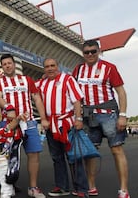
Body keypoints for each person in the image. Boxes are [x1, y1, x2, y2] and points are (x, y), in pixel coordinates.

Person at [72, 40, 130, 198]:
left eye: (93, 51)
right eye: (86, 52)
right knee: (90, 152)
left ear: (99, 51)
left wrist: (123, 115)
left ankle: (123, 189)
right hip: (88, 116)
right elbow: (73, 92)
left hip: (108, 114)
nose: (90, 54)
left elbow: (121, 92)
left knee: (117, 149)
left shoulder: (109, 68)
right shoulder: (78, 70)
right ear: (82, 53)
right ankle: (91, 186)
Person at [0, 53, 50, 198]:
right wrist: (8, 108)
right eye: (4, 64)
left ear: (14, 64)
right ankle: (8, 187)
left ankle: (33, 187)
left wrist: (43, 118)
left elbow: (37, 99)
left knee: (33, 154)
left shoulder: (27, 80)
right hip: (9, 123)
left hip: (29, 121)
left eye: (9, 63)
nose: (7, 66)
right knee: (7, 156)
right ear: (2, 67)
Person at [36, 58, 88, 197]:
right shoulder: (41, 83)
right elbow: (27, 88)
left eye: (53, 65)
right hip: (51, 125)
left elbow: (76, 99)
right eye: (47, 66)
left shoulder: (68, 79)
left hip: (67, 123)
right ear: (44, 69)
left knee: (74, 156)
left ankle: (81, 188)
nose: (50, 68)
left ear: (58, 66)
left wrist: (78, 118)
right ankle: (62, 186)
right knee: (57, 158)